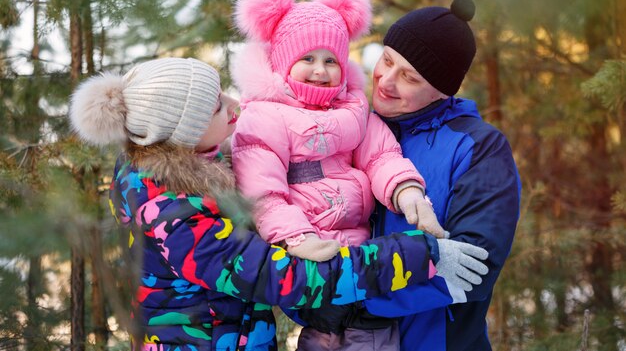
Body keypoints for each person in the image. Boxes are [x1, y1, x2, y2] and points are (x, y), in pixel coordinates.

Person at [68, 57, 483, 351]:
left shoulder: (183, 164)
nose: (236, 106)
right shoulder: (175, 216)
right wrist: (417, 255)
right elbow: (283, 277)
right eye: (217, 107)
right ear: (183, 134)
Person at [229, 0, 479, 351]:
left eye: (331, 60)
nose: (320, 70)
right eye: (307, 59)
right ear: (283, 60)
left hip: (362, 262)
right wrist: (296, 238)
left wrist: (407, 192)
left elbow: (381, 156)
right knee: (322, 340)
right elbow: (263, 192)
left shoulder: (354, 108)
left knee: (375, 340)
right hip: (311, 265)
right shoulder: (263, 117)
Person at [303, 0, 520, 351]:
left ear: (442, 90)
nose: (386, 81)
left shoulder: (478, 148)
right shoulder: (346, 129)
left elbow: (475, 266)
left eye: (409, 77)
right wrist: (310, 300)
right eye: (386, 60)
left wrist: (351, 297)